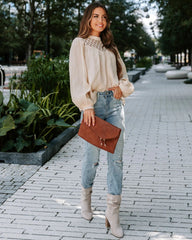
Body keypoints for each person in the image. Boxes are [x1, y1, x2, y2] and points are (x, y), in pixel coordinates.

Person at [69, 2, 134, 238]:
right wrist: (86, 105)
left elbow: (124, 77)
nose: (100, 20)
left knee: (116, 161)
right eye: (95, 16)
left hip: (115, 106)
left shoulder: (111, 48)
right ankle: (85, 200)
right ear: (88, 19)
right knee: (91, 158)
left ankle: (112, 213)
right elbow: (77, 77)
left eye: (104, 17)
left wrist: (121, 88)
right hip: (93, 107)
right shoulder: (79, 44)